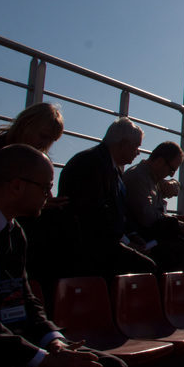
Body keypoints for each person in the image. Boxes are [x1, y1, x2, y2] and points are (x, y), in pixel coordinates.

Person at [0, 144, 128, 367]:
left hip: (6, 339)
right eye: (45, 188)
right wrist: (42, 360)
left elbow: (24, 298)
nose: (50, 196)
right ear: (17, 186)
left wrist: (52, 340)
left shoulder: (13, 232)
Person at [51, 117, 156, 280]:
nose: (138, 152)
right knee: (148, 268)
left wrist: (132, 236)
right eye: (136, 147)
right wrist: (128, 242)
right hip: (88, 246)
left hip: (103, 241)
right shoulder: (90, 164)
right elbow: (93, 216)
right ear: (123, 144)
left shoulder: (107, 167)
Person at [122, 141, 184, 272]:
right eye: (172, 169)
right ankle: (178, 291)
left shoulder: (154, 180)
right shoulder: (138, 178)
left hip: (153, 235)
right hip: (142, 238)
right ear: (159, 162)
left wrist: (173, 184)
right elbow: (147, 218)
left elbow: (172, 189)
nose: (172, 175)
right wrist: (179, 226)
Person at [0, 102, 65, 189]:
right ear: (26, 124)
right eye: (43, 136)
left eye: (51, 140)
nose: (45, 144)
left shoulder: (33, 161)